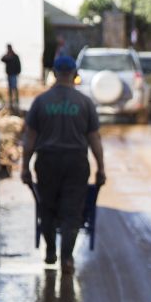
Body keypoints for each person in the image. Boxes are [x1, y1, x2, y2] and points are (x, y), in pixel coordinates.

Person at [21, 55, 106, 273]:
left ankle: (50, 252)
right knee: (71, 212)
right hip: (76, 162)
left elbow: (30, 137)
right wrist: (100, 168)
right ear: (74, 74)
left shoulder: (41, 102)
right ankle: (67, 258)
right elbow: (94, 139)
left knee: (47, 208)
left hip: (47, 161)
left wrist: (25, 166)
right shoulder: (85, 103)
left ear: (55, 74)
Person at [1, 44, 21, 110]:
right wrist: (7, 55)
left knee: (14, 87)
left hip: (14, 74)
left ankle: (16, 100)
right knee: (10, 88)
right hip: (9, 74)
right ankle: (11, 100)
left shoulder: (15, 56)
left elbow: (18, 64)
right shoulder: (8, 57)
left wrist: (18, 72)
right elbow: (2, 59)